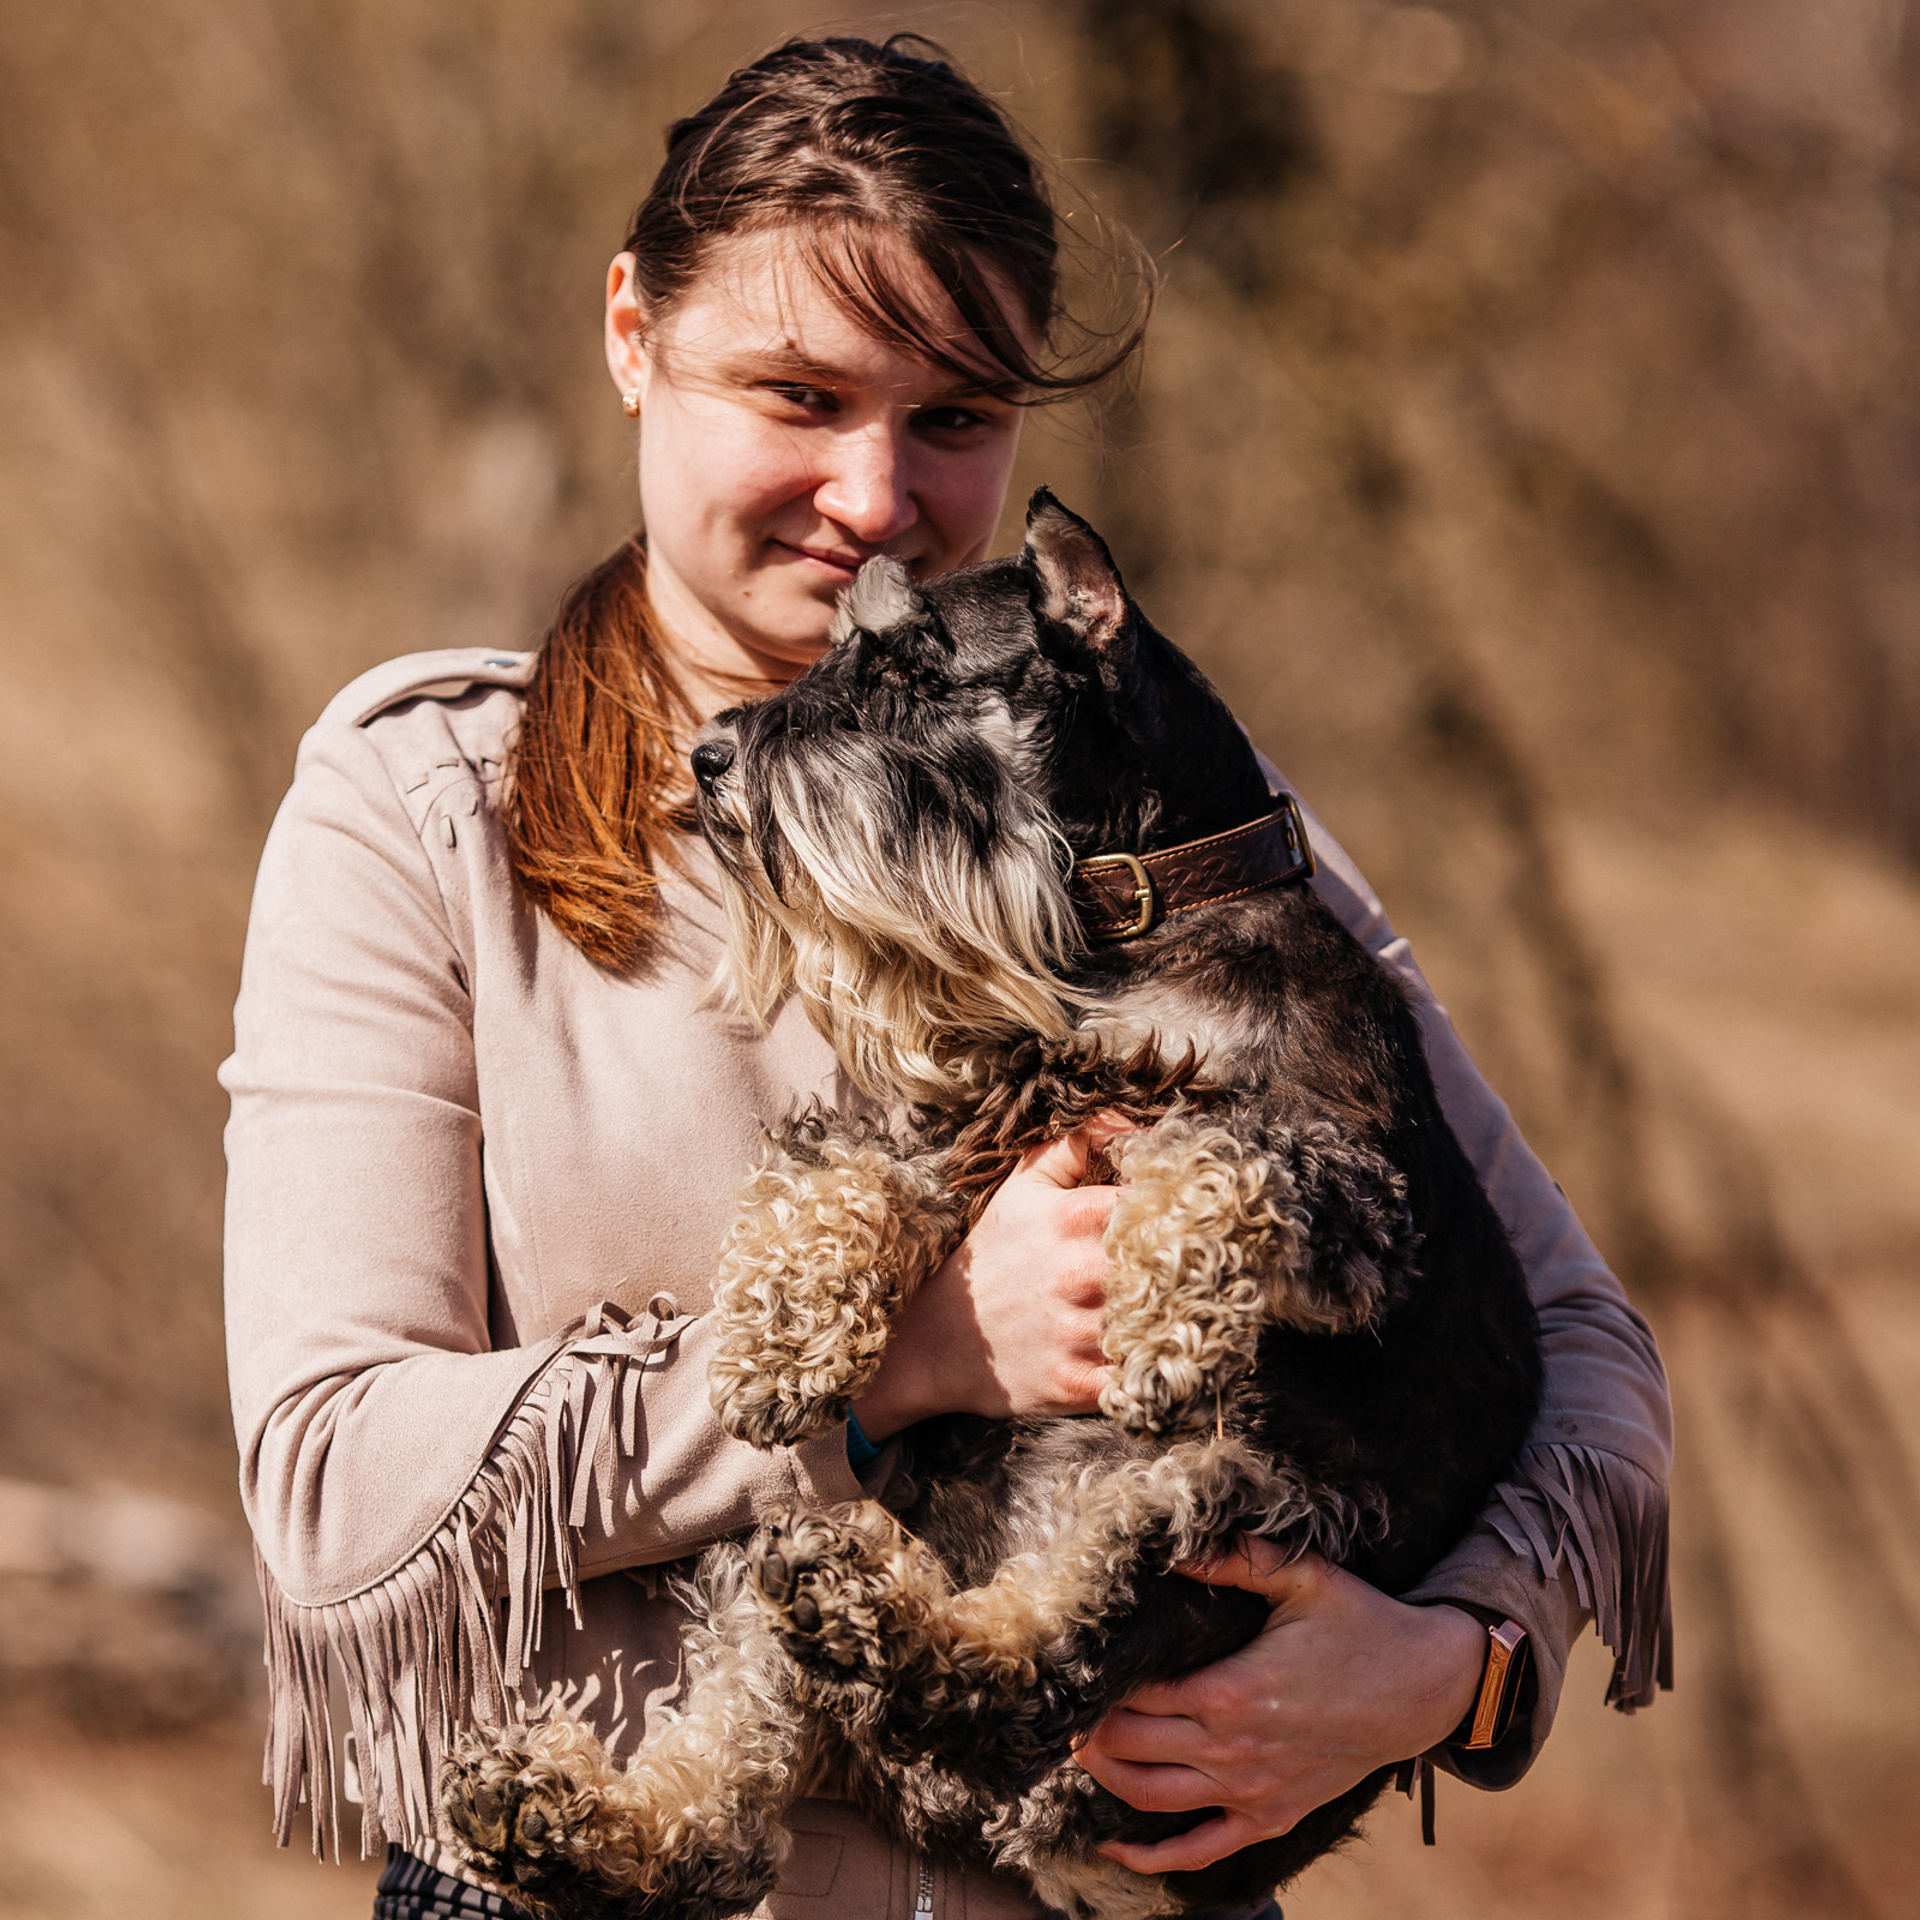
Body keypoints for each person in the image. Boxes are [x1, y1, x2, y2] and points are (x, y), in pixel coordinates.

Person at [222, 35, 1671, 1920]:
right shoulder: (424, 808)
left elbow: (1590, 1358)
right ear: (632, 337)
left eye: (956, 419)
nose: (876, 493)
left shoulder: (1176, 829)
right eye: (800, 394)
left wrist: (1444, 1668)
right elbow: (334, 1492)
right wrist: (896, 1360)